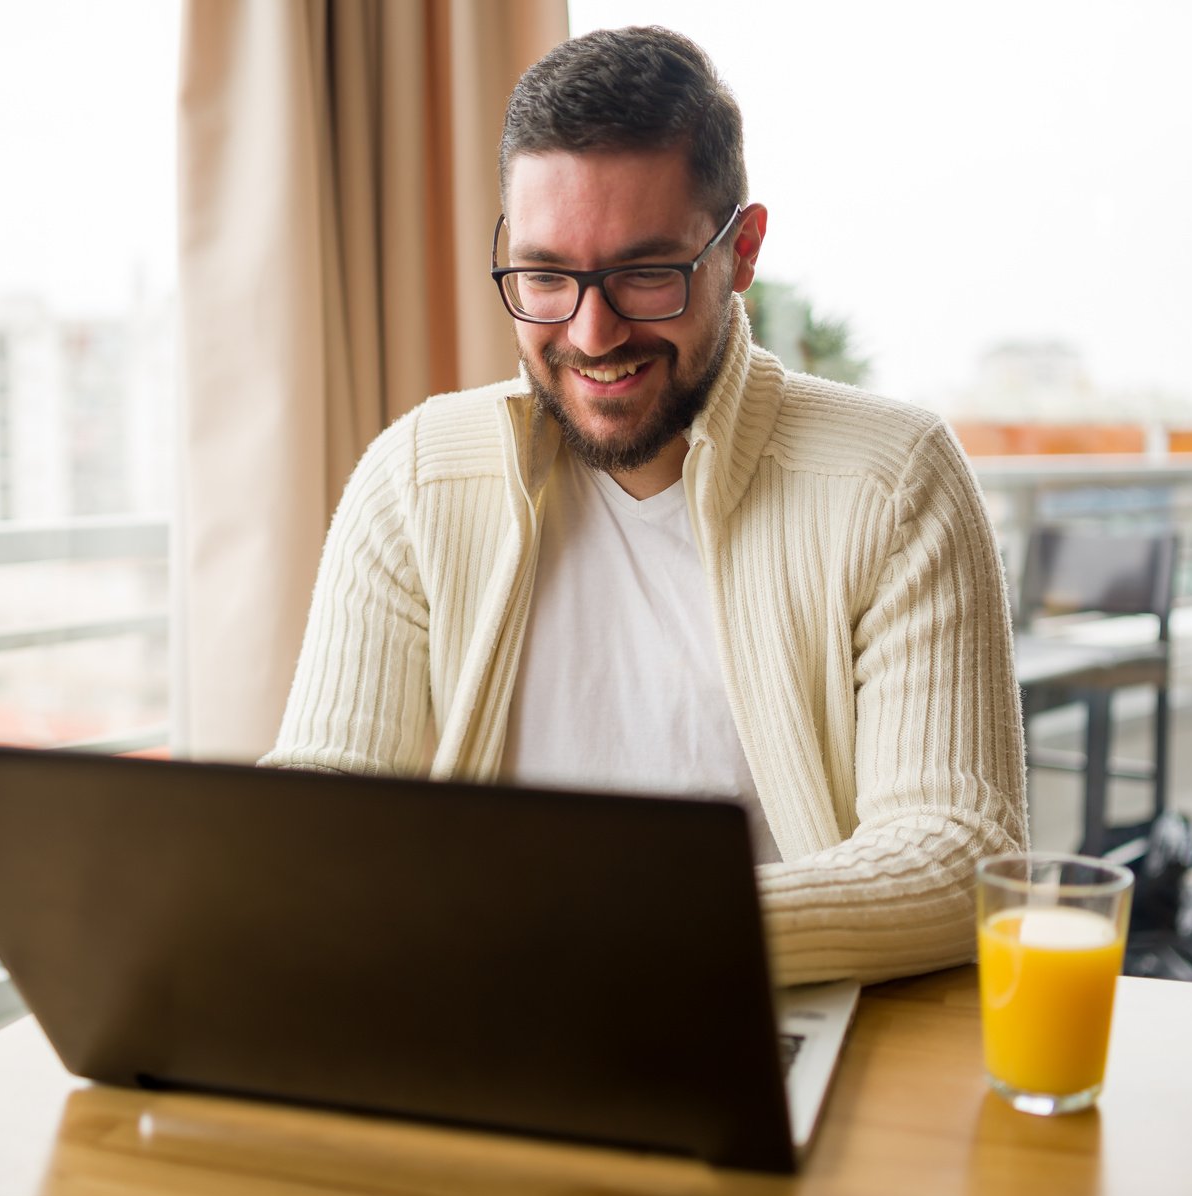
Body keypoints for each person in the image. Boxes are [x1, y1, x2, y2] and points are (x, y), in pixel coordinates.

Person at [263, 26, 1027, 985]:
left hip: (762, 1012)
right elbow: (324, 791)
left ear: (741, 251)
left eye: (643, 274)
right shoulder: (415, 476)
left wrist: (622, 930)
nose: (591, 331)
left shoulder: (893, 479)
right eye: (545, 275)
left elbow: (961, 854)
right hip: (488, 1008)